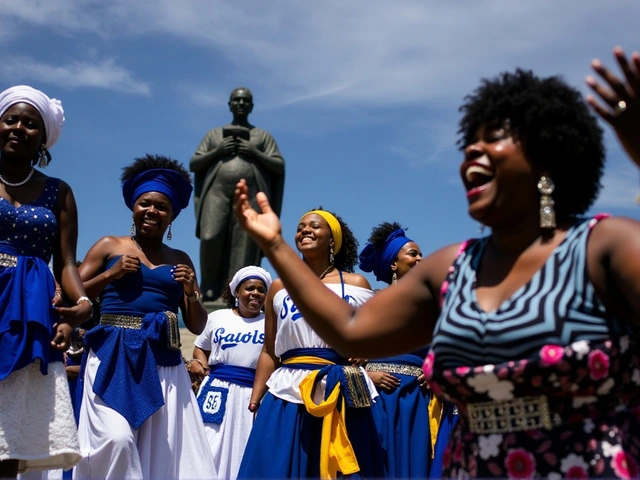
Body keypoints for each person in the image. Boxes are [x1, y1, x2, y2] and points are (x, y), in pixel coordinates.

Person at [234, 47, 640, 479]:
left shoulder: (604, 245)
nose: (473, 151)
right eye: (471, 141)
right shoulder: (452, 268)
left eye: (494, 138)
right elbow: (351, 333)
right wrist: (276, 245)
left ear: (548, 160)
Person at [74, 154, 215, 479]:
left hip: (163, 361)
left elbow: (196, 325)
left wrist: (191, 292)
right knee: (116, 439)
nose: (152, 211)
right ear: (133, 208)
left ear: (171, 218)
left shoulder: (181, 259)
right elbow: (73, 294)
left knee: (163, 454)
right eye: (145, 203)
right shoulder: (109, 245)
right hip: (113, 354)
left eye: (161, 207)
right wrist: (111, 275)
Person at [237, 209, 386, 479]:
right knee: (276, 466)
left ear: (332, 241)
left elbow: (372, 335)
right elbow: (270, 351)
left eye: (314, 226)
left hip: (340, 388)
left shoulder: (356, 283)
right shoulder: (279, 287)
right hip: (287, 390)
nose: (305, 230)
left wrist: (364, 352)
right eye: (300, 227)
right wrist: (256, 399)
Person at [0, 85, 92, 479]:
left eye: (31, 123)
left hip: (29, 312)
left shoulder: (60, 192)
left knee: (12, 434)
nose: (19, 127)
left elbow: (67, 263)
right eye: (10, 119)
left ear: (44, 137)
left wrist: (83, 302)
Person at [359, 222, 447, 479]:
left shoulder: (434, 306)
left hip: (417, 398)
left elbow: (449, 347)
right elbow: (348, 350)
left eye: (421, 254)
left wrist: (435, 369)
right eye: (413, 253)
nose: (421, 258)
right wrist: (367, 373)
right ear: (394, 264)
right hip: (376, 394)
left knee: (414, 464)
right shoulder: (371, 301)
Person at [190, 87, 285, 302]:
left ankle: (235, 292)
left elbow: (279, 165)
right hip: (217, 192)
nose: (241, 104)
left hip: (251, 194)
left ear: (251, 106)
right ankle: (210, 287)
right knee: (211, 236)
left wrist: (254, 152)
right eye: (237, 100)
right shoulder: (214, 135)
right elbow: (194, 163)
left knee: (245, 243)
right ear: (230, 104)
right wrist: (218, 150)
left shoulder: (262, 136)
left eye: (245, 101)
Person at [188, 265, 272, 480]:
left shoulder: (271, 323)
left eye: (261, 290)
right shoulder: (218, 318)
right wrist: (200, 362)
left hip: (252, 393)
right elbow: (201, 347)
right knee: (209, 441)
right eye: (249, 288)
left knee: (244, 445)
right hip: (216, 390)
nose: (256, 293)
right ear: (236, 292)